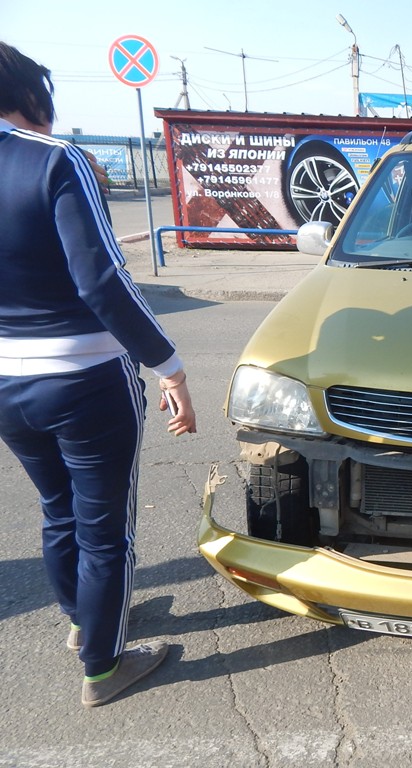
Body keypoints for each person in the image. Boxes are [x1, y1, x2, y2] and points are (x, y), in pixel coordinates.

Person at [0, 42, 198, 707]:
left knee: (58, 508)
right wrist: (168, 365)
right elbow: (104, 281)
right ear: (31, 97)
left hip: (6, 383)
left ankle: (83, 624)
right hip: (84, 377)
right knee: (105, 526)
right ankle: (105, 666)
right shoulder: (54, 160)